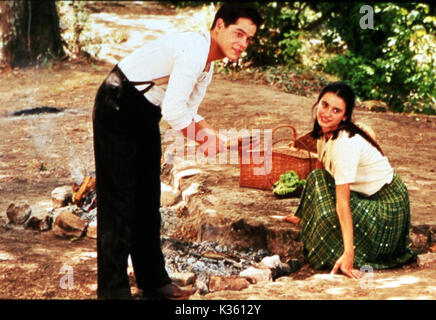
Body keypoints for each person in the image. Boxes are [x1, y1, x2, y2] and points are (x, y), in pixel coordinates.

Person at [92, 4, 263, 299]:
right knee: (119, 201)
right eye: (239, 33)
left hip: (145, 112)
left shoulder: (208, 65)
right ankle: (113, 292)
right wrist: (203, 139)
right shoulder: (196, 50)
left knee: (148, 199)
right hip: (117, 103)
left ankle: (154, 281)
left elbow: (188, 111)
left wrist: (212, 138)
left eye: (249, 38)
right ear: (219, 26)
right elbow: (174, 111)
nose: (243, 44)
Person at [283, 82, 416, 279]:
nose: (327, 113)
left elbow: (343, 203)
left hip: (388, 206)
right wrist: (306, 211)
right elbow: (321, 172)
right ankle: (306, 218)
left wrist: (349, 254)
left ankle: (350, 251)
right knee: (315, 178)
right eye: (325, 105)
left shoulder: (344, 143)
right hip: (365, 195)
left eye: (336, 110)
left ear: (344, 116)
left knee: (328, 218)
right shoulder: (324, 132)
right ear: (318, 103)